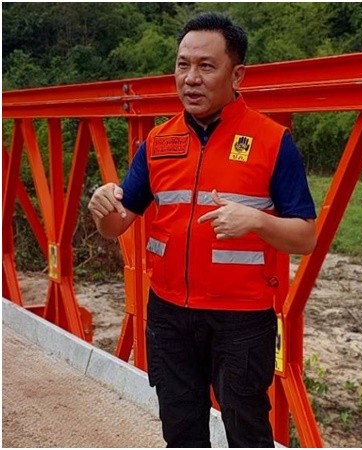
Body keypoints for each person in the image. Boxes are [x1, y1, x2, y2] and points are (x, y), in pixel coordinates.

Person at [87, 13, 317, 447]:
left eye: (206, 66)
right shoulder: (157, 142)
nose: (191, 79)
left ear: (237, 74)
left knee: (247, 431)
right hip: (168, 313)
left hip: (242, 319)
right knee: (181, 430)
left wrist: (257, 221)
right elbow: (119, 222)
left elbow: (306, 237)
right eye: (182, 65)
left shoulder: (272, 141)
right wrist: (102, 211)